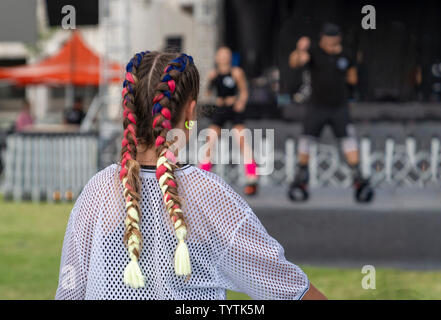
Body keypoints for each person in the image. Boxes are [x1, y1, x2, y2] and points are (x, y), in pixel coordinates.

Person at [55, 51, 326, 300]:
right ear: (189, 112)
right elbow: (291, 292)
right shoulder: (208, 195)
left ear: (129, 111)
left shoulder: (96, 191)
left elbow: (70, 292)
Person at [288, 23, 374, 202]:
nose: (328, 45)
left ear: (338, 40)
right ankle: (301, 175)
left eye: (332, 42)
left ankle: (358, 176)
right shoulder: (313, 51)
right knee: (307, 138)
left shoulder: (346, 54)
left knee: (348, 139)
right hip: (317, 106)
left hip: (339, 107)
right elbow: (295, 62)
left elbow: (352, 77)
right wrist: (299, 49)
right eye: (326, 41)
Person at [201, 46, 258, 196]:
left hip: (234, 109)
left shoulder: (236, 72)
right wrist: (209, 84)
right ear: (217, 58)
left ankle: (252, 177)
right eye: (222, 55)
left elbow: (244, 91)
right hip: (220, 109)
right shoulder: (214, 74)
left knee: (241, 139)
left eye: (227, 55)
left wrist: (241, 103)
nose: (224, 58)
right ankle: (204, 175)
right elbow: (207, 94)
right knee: (210, 138)